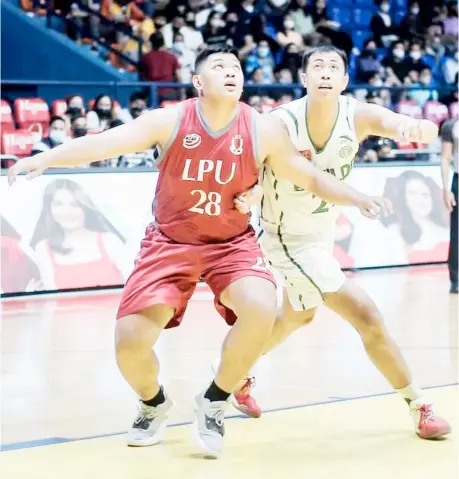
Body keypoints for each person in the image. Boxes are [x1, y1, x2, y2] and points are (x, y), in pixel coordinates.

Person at [8, 45, 391, 458]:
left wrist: (357, 196)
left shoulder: (262, 129)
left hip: (231, 245)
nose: (232, 72)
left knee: (263, 307)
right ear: (197, 81)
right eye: (220, 67)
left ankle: (214, 400)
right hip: (171, 243)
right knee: (129, 345)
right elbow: (106, 143)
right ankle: (153, 403)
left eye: (237, 68)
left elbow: (310, 177)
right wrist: (45, 158)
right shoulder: (170, 119)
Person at [230, 45, 451, 440]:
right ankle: (419, 405)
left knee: (299, 316)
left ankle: (230, 373)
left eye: (335, 67)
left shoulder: (357, 114)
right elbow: (253, 173)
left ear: (345, 81)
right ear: (303, 79)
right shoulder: (278, 122)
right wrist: (251, 195)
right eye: (318, 66)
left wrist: (417, 128)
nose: (327, 72)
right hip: (286, 240)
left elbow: (392, 120)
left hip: (320, 234)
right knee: (368, 317)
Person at [440, 118, 458, 293]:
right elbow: (445, 157)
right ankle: (456, 278)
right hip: (458, 180)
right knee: (457, 233)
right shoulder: (452, 126)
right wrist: (446, 189)